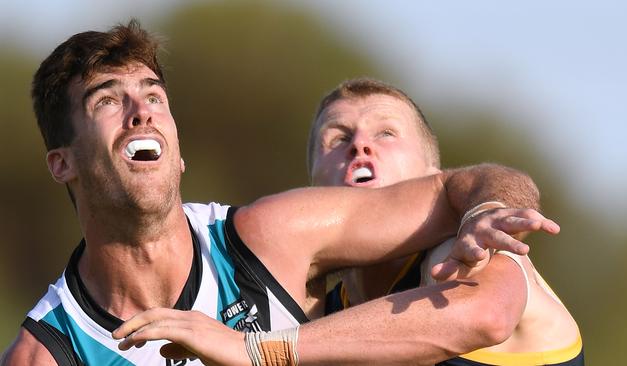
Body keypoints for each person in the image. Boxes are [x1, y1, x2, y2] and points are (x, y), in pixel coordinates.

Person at [1, 21, 558, 366]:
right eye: (107, 101)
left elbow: (482, 298)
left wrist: (255, 351)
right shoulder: (48, 353)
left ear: (178, 150)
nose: (142, 110)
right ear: (61, 163)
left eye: (153, 95)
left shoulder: (465, 252)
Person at [311, 78, 583, 365]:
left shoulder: (462, 254)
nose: (359, 146)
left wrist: (274, 349)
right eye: (339, 138)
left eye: (386, 133)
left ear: (433, 178)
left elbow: (488, 315)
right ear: (310, 190)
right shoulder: (317, 307)